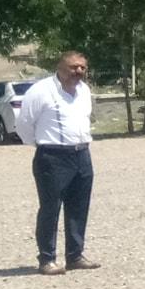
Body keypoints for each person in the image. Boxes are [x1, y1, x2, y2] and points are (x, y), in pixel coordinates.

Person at [15, 50, 100, 277]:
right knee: (50, 209)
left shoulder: (84, 91)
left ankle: (75, 256)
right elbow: (24, 124)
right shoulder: (41, 91)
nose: (78, 71)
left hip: (82, 154)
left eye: (82, 67)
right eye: (74, 67)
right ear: (61, 68)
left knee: (79, 207)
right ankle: (47, 259)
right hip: (52, 158)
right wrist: (43, 146)